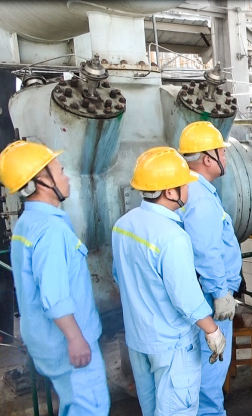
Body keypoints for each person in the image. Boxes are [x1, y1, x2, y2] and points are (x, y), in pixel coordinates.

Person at [112, 147, 226, 416]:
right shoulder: (172, 237)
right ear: (170, 192)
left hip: (139, 341)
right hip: (172, 348)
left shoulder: (123, 225)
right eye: (184, 184)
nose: (188, 189)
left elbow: (119, 277)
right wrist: (212, 330)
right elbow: (186, 298)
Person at [1, 141, 109, 415]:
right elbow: (55, 295)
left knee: (73, 404)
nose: (66, 177)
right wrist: (76, 339)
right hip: (66, 342)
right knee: (91, 407)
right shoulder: (50, 230)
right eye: (60, 171)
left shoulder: (26, 223)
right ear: (41, 182)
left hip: (45, 339)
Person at [177, 121, 241, 416]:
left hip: (205, 294)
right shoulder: (200, 197)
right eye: (221, 152)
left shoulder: (194, 189)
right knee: (210, 378)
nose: (225, 157)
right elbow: (207, 252)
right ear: (206, 158)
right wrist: (221, 294)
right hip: (212, 300)